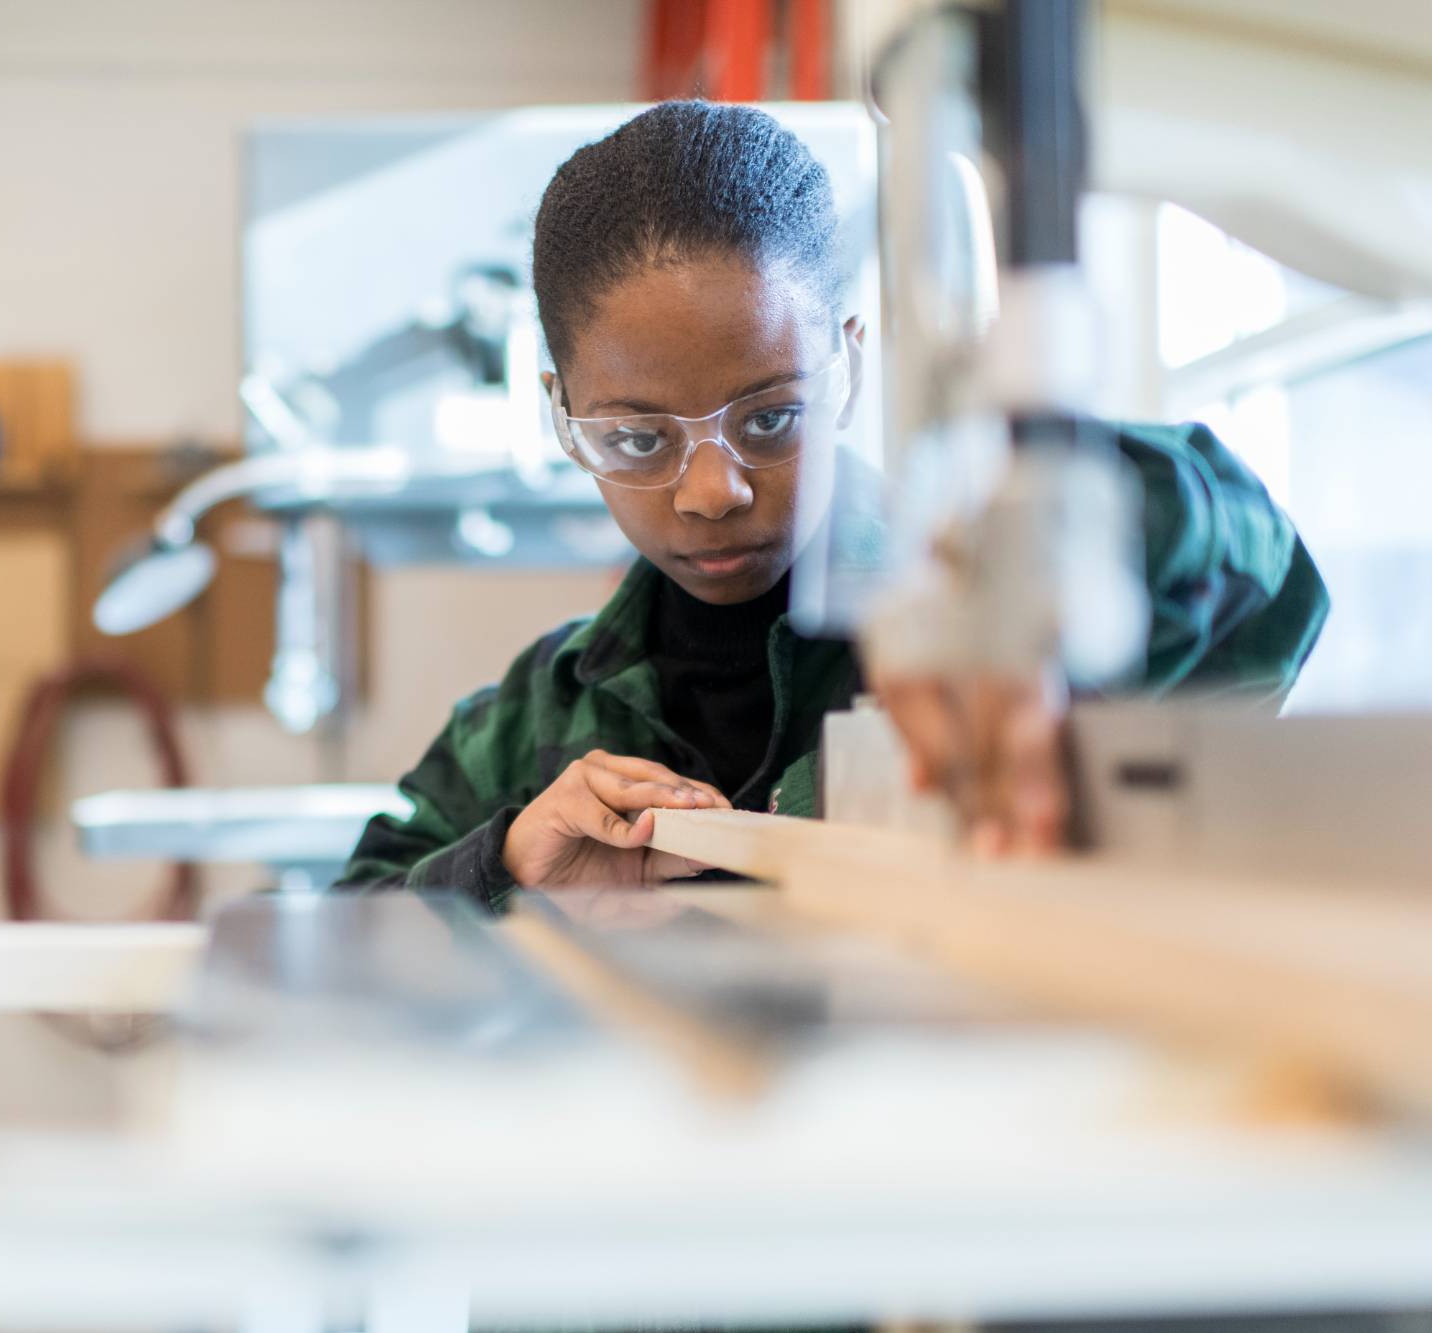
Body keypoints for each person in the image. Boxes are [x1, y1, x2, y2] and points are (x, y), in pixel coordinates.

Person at [335, 100, 1327, 900]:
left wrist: (1036, 522)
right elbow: (348, 931)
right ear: (560, 413)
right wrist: (504, 866)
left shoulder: (1000, 621)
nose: (712, 491)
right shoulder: (527, 722)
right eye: (637, 439)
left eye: (768, 418)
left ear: (846, 366)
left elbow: (1265, 576)